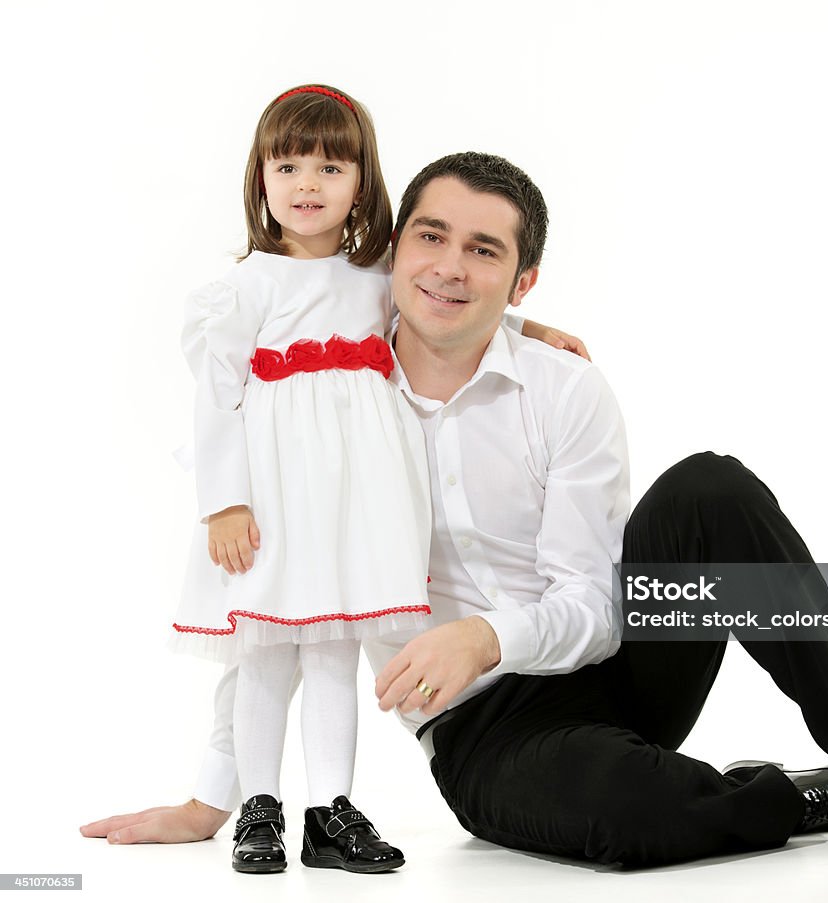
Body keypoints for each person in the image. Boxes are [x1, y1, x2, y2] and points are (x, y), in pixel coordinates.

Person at [83, 151, 828, 867]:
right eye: (431, 238)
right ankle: (806, 796)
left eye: (484, 251)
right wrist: (213, 793)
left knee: (711, 487)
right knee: (628, 815)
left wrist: (486, 633)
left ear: (525, 278)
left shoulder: (565, 389)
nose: (448, 268)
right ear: (394, 250)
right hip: (482, 728)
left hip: (615, 659)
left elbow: (591, 602)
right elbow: (275, 601)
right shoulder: (318, 405)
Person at [168, 89, 581, 876]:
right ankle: (261, 804)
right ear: (261, 178)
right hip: (275, 504)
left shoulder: (377, 272)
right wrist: (224, 502)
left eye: (331, 164)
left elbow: (446, 306)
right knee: (264, 654)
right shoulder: (245, 289)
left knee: (331, 652)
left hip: (353, 504)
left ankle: (330, 807)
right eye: (287, 165)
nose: (307, 182)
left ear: (364, 182)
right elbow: (213, 401)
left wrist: (532, 329)